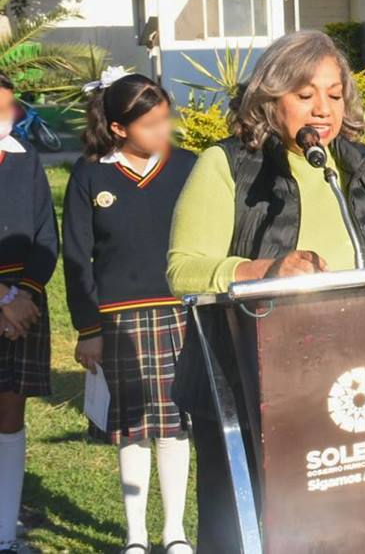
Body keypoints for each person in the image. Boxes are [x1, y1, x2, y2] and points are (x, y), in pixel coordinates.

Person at [166, 31, 365, 551]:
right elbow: (183, 270)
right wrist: (265, 270)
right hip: (248, 385)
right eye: (305, 95)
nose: (323, 110)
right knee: (251, 532)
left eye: (334, 95)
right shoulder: (227, 166)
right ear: (271, 98)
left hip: (358, 384)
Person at [62, 70, 196, 554]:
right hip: (118, 320)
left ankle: (175, 532)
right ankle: (137, 536)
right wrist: (88, 329)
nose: (164, 132)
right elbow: (77, 257)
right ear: (119, 128)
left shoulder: (189, 168)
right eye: (150, 125)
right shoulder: (90, 174)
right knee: (133, 429)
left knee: (175, 424)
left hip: (180, 314)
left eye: (166, 120)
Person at [0, 73, 58, 554]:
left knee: (10, 412)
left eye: (9, 108)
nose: (8, 118)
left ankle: (6, 530)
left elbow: (46, 238)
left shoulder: (27, 161)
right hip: (5, 302)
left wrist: (21, 296)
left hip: (24, 306)